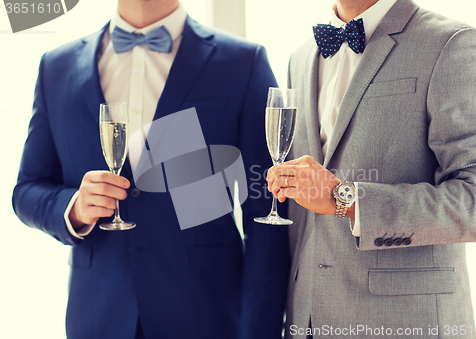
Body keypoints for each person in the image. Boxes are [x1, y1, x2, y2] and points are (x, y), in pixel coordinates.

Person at [12, 0, 290, 338]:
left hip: (207, 318)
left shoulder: (243, 62)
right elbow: (27, 189)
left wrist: (259, 331)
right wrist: (74, 208)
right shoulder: (55, 67)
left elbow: (268, 215)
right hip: (98, 318)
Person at [266, 0, 476, 338]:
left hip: (405, 325)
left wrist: (344, 199)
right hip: (308, 324)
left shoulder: (453, 44)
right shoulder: (300, 58)